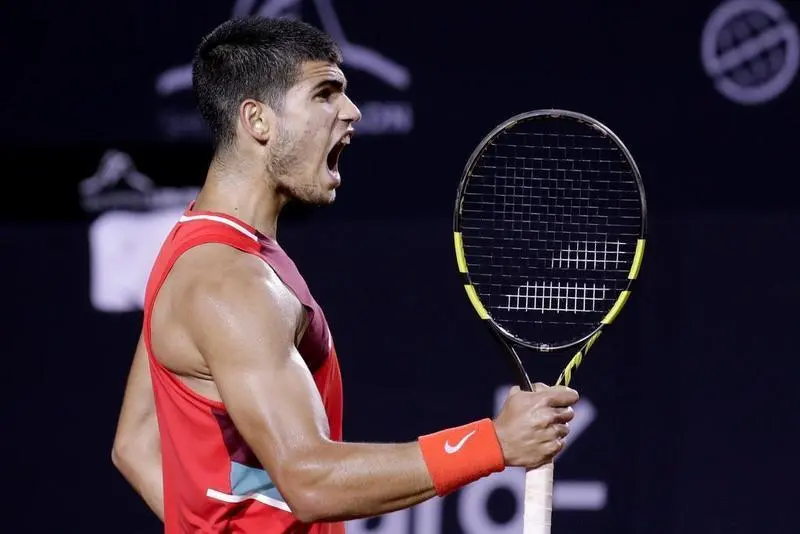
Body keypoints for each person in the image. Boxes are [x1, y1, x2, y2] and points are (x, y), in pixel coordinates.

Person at [111, 15, 580, 534]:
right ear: (258, 121)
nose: (352, 112)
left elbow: (136, 443)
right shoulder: (231, 283)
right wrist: (494, 442)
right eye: (325, 93)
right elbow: (309, 481)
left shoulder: (192, 248)